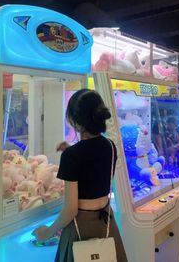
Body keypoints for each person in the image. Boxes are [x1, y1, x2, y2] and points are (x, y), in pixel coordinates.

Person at [32, 89, 127, 262]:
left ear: (75, 121)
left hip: (80, 227)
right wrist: (71, 150)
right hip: (106, 222)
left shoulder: (72, 156)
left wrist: (46, 233)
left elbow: (70, 209)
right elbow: (94, 165)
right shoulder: (110, 146)